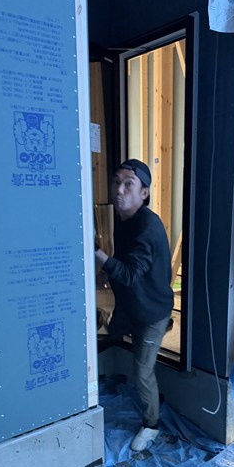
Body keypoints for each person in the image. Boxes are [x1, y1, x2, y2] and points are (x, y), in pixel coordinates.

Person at [95, 159, 174, 452]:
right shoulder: (124, 218)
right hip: (131, 304)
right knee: (110, 334)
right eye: (116, 182)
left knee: (142, 371)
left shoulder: (147, 227)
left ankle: (151, 425)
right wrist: (105, 274)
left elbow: (129, 273)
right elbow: (124, 260)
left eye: (128, 184)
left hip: (151, 311)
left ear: (144, 193)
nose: (119, 190)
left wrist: (97, 253)